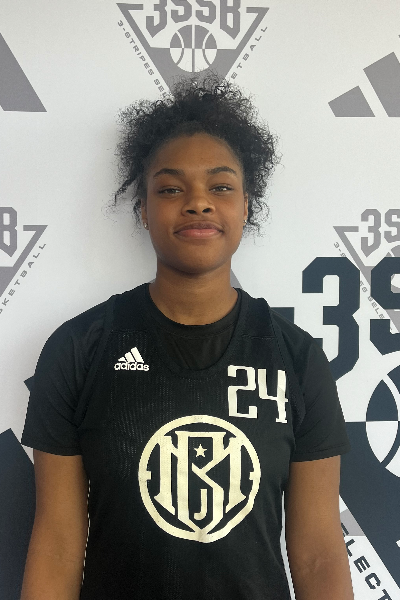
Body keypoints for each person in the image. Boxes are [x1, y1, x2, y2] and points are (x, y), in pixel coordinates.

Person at [21, 77, 354, 600]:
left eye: (220, 187)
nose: (198, 203)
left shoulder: (297, 357)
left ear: (247, 206)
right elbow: (58, 545)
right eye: (171, 189)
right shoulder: (79, 349)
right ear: (143, 209)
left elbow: (317, 553)